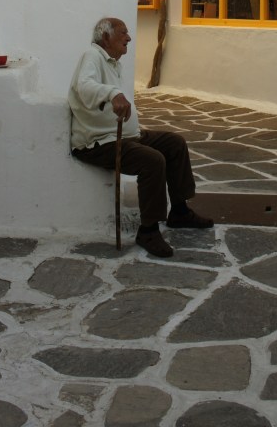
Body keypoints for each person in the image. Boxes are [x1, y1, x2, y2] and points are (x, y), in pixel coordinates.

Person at [69, 17, 213, 258]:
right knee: (152, 160)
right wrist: (112, 93)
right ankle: (148, 230)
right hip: (99, 142)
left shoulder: (112, 63)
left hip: (126, 136)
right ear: (106, 37)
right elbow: (84, 86)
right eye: (123, 33)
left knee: (174, 143)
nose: (129, 38)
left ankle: (179, 211)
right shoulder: (92, 56)